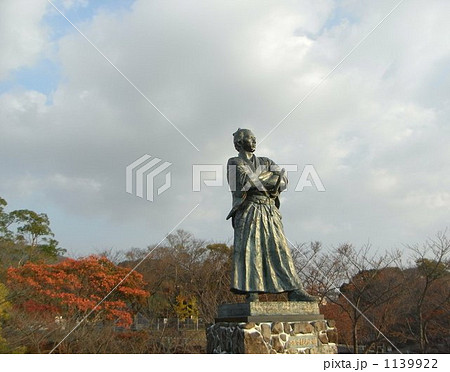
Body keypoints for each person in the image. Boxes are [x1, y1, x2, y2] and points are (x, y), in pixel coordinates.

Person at [226, 128, 316, 302]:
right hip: (249, 209)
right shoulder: (234, 162)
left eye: (254, 138)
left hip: (269, 209)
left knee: (280, 248)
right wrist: (269, 178)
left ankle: (294, 290)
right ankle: (251, 291)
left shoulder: (266, 161)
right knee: (250, 250)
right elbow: (245, 182)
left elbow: (283, 180)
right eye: (250, 138)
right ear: (239, 143)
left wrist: (261, 178)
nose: (254, 141)